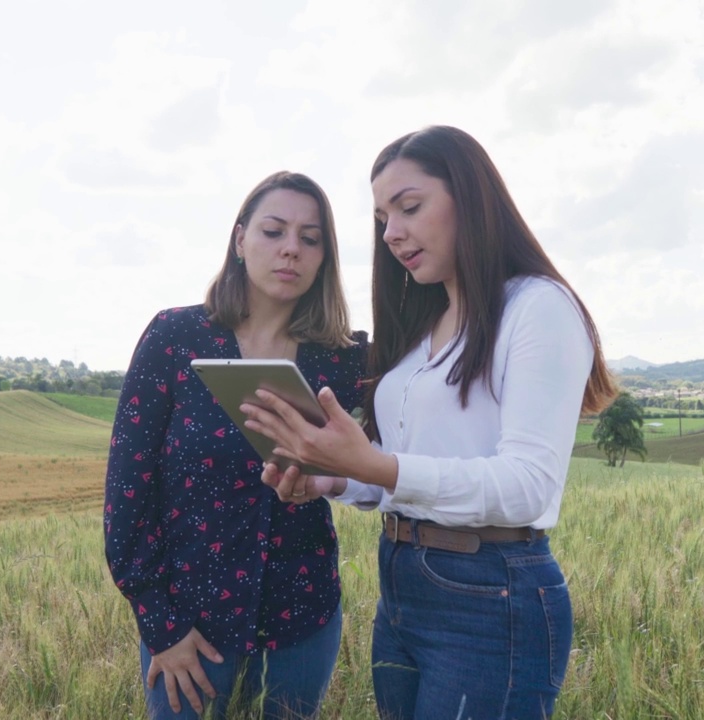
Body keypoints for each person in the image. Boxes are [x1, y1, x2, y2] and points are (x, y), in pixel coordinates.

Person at [242, 126, 618, 719]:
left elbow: (527, 487)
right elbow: (404, 466)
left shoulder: (536, 307)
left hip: (490, 593)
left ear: (470, 197)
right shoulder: (425, 328)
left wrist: (374, 464)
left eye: (409, 207)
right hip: (401, 586)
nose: (392, 233)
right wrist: (335, 479)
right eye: (382, 218)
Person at [103, 171, 368, 719]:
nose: (291, 248)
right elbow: (127, 490)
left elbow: (383, 456)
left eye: (310, 238)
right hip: (190, 630)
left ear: (324, 258)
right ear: (240, 238)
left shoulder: (340, 360)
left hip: (303, 621)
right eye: (274, 231)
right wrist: (159, 623)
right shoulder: (175, 338)